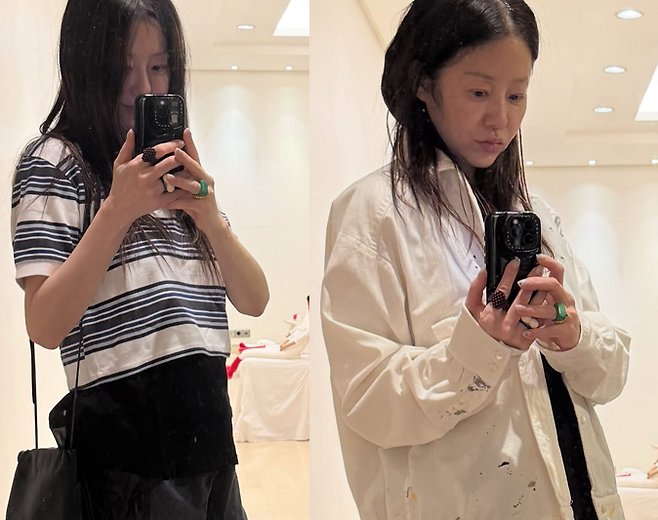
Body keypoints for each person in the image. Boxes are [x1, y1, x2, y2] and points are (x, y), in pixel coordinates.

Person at [320, 1, 630, 519]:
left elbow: (611, 375)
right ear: (424, 83)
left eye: (516, 95)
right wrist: (479, 349)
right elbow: (367, 399)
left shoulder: (535, 216)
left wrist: (571, 335)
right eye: (480, 92)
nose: (501, 118)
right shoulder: (373, 214)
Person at [10, 0, 269, 518]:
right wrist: (116, 211)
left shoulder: (174, 174)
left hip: (211, 452)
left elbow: (255, 300)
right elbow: (44, 324)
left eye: (159, 66)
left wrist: (210, 216)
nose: (144, 88)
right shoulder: (56, 163)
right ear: (84, 63)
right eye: (122, 66)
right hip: (129, 467)